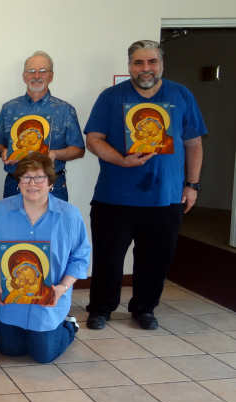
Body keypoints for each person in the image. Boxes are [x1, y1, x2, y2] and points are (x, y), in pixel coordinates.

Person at [84, 40, 206, 331]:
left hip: (165, 198)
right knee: (108, 259)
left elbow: (194, 144)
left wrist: (192, 185)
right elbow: (93, 140)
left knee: (156, 260)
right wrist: (122, 160)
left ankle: (144, 309)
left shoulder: (181, 95)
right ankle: (101, 308)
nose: (145, 68)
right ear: (129, 66)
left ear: (162, 64)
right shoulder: (110, 97)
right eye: (138, 62)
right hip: (114, 197)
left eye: (152, 61)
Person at [0, 153, 91, 363]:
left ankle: (68, 325)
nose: (32, 183)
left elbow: (80, 257)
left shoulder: (69, 215)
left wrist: (62, 287)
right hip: (11, 302)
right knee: (9, 350)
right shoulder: (0, 210)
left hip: (49, 302)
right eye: (26, 177)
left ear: (51, 182)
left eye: (39, 177)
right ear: (18, 182)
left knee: (44, 355)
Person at [0, 51, 85, 201]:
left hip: (52, 185)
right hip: (15, 184)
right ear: (24, 76)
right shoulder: (9, 108)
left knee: (54, 225)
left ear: (51, 76)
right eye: (31, 71)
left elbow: (79, 150)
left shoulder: (65, 110)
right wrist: (3, 152)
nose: (37, 76)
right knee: (12, 224)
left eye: (43, 71)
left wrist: (55, 154)